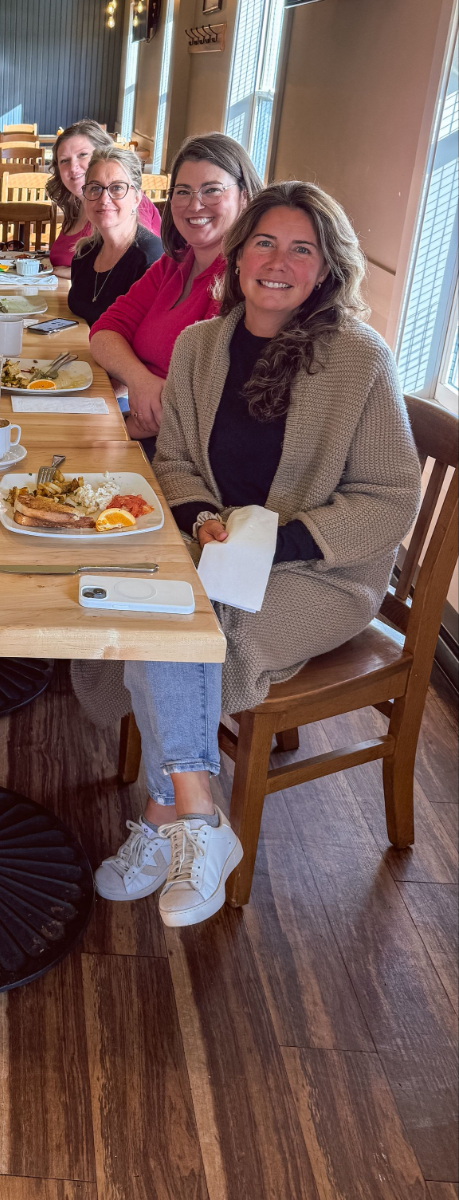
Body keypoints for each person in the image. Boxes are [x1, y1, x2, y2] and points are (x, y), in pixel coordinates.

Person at [88, 181, 422, 928]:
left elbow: (392, 498)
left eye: (302, 248)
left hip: (323, 571)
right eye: (265, 243)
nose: (278, 261)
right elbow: (173, 461)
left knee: (186, 629)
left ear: (326, 268)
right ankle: (193, 818)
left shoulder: (358, 360)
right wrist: (207, 520)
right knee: (149, 606)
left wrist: (275, 542)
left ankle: (167, 819)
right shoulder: (201, 346)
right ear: (238, 260)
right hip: (215, 552)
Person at [90, 133, 261, 451]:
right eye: (183, 192)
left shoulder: (243, 282)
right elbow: (104, 331)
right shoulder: (174, 264)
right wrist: (139, 381)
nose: (195, 205)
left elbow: (212, 400)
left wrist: (126, 427)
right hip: (136, 421)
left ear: (245, 197)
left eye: (212, 190)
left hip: (182, 452)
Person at [47, 120, 162, 274]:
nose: (73, 167)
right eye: (64, 161)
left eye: (82, 155)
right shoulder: (77, 204)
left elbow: (139, 266)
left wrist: (59, 272)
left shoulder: (128, 203)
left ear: (104, 155)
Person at [66, 145, 163, 327]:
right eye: (95, 188)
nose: (104, 199)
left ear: (136, 198)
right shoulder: (85, 253)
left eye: (117, 188)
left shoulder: (151, 259)